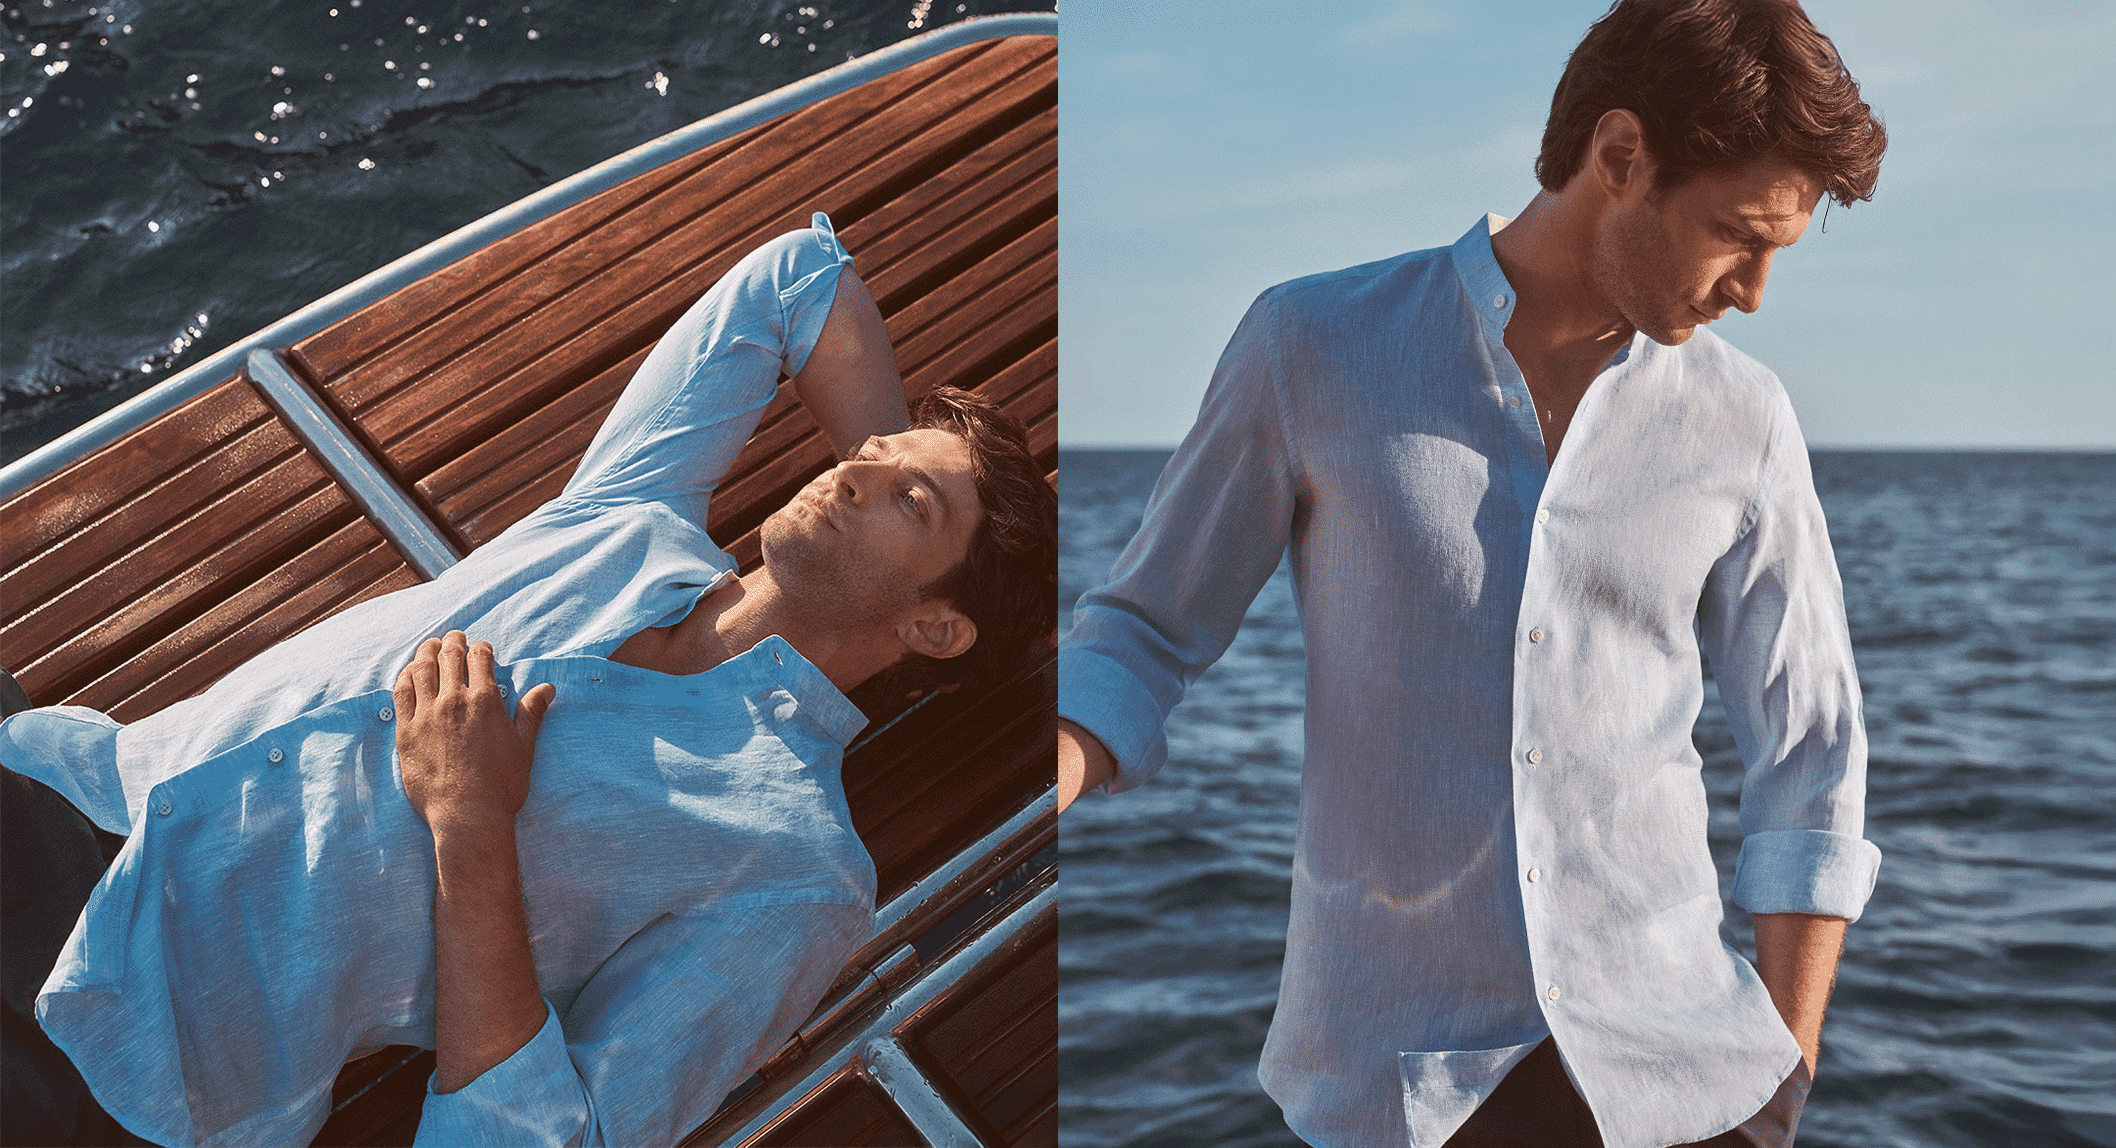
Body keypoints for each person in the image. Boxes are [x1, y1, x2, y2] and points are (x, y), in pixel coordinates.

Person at [0, 214, 1057, 1147]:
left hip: (132, 1030)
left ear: (936, 624)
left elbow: (543, 1135)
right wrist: (894, 492)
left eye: (907, 499)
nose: (854, 470)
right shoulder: (630, 515)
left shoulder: (792, 868)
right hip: (62, 777)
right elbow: (796, 279)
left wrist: (470, 816)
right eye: (869, 449)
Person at [1056, 3, 1884, 1146]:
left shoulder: (1743, 418)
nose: (1751, 289)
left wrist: (1784, 1070)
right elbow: (1146, 629)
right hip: (1398, 1086)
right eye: (1737, 235)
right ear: (1620, 156)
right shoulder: (1310, 343)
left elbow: (1811, 746)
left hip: (1684, 1080)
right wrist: (1041, 765)